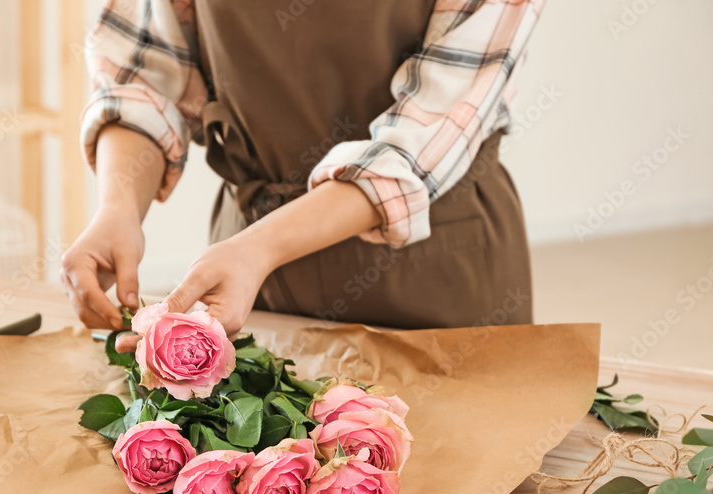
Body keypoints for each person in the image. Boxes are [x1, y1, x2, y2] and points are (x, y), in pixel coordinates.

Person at [62, 0, 543, 336]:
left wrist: (258, 250)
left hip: (433, 275)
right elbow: (143, 77)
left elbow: (420, 140)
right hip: (245, 279)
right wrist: (118, 210)